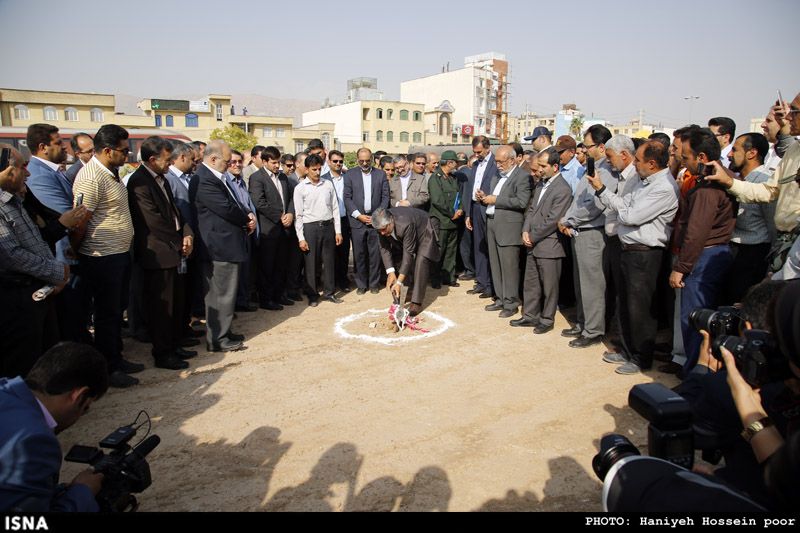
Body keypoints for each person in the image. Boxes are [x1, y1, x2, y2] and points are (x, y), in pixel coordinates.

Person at [0, 342, 108, 512]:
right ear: (77, 395)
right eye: (85, 408)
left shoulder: (5, 389)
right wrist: (82, 492)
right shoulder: (35, 441)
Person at [72, 125, 140, 388]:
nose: (128, 154)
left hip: (118, 252)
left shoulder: (109, 173)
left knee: (115, 311)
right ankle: (108, 367)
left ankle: (117, 357)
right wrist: (77, 250)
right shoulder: (91, 177)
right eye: (124, 150)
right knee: (106, 314)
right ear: (108, 150)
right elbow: (80, 221)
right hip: (101, 256)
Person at [127, 137, 195, 371]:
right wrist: (179, 240)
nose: (170, 164)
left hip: (173, 248)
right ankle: (163, 353)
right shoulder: (139, 183)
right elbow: (153, 221)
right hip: (157, 253)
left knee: (175, 304)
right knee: (161, 307)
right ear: (152, 159)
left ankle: (174, 345)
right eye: (167, 160)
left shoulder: (162, 179)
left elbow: (175, 212)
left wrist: (187, 233)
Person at [192, 140, 254, 352]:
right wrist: (246, 219)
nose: (229, 165)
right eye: (227, 161)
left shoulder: (214, 177)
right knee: (220, 295)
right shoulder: (204, 180)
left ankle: (223, 332)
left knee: (226, 294)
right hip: (218, 245)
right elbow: (226, 208)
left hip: (225, 243)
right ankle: (218, 339)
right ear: (213, 159)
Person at [515, 148, 573, 333]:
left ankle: (547, 319)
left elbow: (553, 220)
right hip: (533, 243)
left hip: (550, 245)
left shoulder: (563, 189)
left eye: (543, 166)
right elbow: (531, 209)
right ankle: (530, 315)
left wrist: (532, 235)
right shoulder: (541, 185)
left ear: (555, 167)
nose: (539, 169)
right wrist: (525, 230)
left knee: (549, 286)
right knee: (531, 282)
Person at [481, 145, 532, 318]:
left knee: (509, 267)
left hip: (509, 228)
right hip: (493, 224)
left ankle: (511, 302)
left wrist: (496, 200)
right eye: (496, 161)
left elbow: (522, 201)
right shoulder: (497, 176)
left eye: (501, 162)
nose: (498, 165)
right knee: (495, 264)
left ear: (511, 160)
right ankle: (501, 299)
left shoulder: (522, 177)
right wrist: (484, 198)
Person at [293, 153, 343, 306]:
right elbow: (299, 215)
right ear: (307, 169)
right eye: (314, 169)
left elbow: (335, 208)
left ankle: (329, 292)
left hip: (328, 227)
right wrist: (301, 238)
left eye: (319, 169)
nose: (317, 172)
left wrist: (338, 231)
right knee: (311, 264)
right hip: (310, 229)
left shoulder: (328, 185)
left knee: (329, 262)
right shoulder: (300, 188)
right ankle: (313, 294)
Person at [372, 207, 441, 317]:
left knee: (421, 261)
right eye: (379, 230)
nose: (382, 233)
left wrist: (398, 282)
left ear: (391, 222)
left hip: (424, 232)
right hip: (406, 235)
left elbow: (408, 254)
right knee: (399, 260)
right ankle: (408, 292)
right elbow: (384, 248)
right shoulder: (381, 227)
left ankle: (416, 302)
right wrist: (390, 272)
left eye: (384, 229)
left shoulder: (405, 224)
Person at [344, 148, 390, 295]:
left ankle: (374, 283)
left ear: (372, 159)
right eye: (361, 160)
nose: (364, 163)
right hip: (358, 221)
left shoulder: (380, 174)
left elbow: (385, 197)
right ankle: (362, 284)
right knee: (359, 254)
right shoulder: (350, 174)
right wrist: (358, 215)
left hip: (375, 220)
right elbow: (347, 198)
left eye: (367, 160)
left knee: (375, 254)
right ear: (357, 159)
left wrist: (377, 216)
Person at [427, 150, 463, 287]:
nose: (457, 165)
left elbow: (458, 196)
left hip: (453, 221)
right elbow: (437, 200)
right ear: (449, 163)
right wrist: (451, 213)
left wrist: (460, 209)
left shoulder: (453, 178)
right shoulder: (435, 178)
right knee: (439, 251)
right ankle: (435, 279)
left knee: (451, 250)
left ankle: (448, 277)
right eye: (455, 163)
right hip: (441, 220)